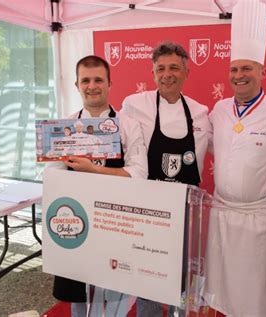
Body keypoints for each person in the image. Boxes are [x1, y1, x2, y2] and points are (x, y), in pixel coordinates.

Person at [204, 0, 266, 316]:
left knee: (259, 296)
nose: (239, 75)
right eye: (234, 69)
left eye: (247, 69)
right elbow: (213, 146)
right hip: (222, 213)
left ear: (263, 71)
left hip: (260, 219)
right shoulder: (220, 109)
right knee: (223, 291)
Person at [51, 55, 147, 317]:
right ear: (77, 85)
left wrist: (93, 170)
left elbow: (139, 174)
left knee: (116, 289)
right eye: (86, 80)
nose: (92, 86)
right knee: (77, 292)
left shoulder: (128, 124)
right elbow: (52, 177)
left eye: (98, 80)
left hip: (116, 218)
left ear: (109, 83)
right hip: (77, 219)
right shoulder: (64, 128)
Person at [120, 42, 212, 316]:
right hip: (148, 209)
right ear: (152, 73)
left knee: (181, 276)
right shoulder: (135, 105)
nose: (167, 74)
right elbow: (112, 136)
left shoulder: (201, 113)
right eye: (160, 68)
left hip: (186, 212)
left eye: (174, 67)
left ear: (186, 72)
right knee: (147, 275)